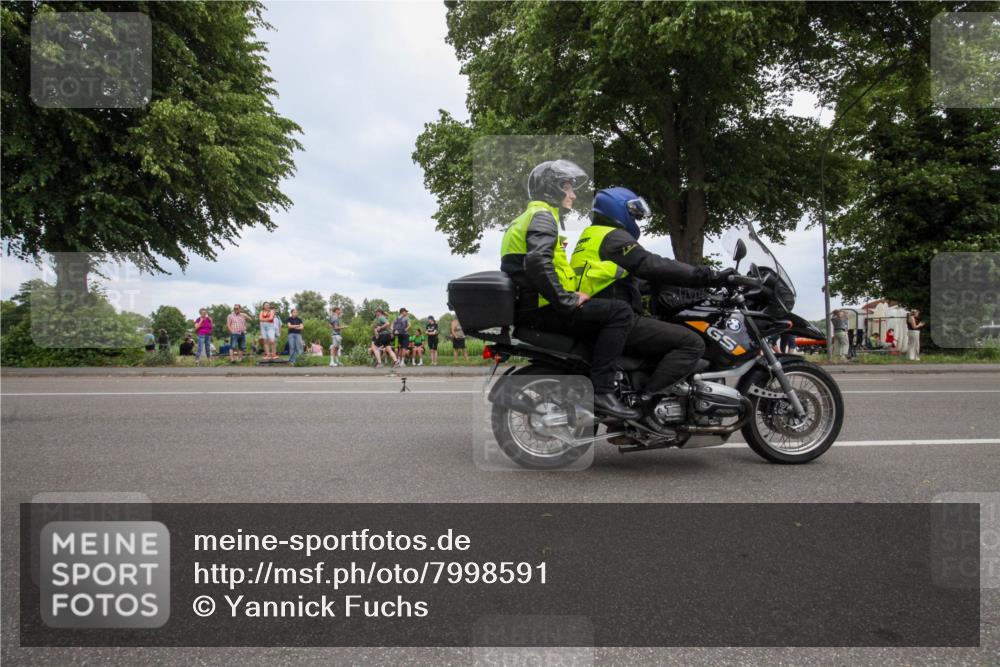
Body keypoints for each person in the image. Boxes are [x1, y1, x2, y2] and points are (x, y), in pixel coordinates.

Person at [500, 160, 638, 419]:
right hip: (542, 308)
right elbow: (537, 262)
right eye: (567, 187)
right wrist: (567, 301)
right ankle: (602, 391)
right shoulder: (543, 217)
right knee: (620, 312)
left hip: (532, 305)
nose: (573, 194)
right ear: (551, 188)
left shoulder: (528, 217)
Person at [569, 186, 734, 402]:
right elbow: (649, 264)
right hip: (614, 319)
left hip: (598, 313)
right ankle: (647, 401)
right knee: (692, 343)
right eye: (634, 215)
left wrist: (664, 287)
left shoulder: (591, 237)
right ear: (617, 210)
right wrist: (707, 275)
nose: (636, 221)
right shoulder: (613, 237)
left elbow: (624, 279)